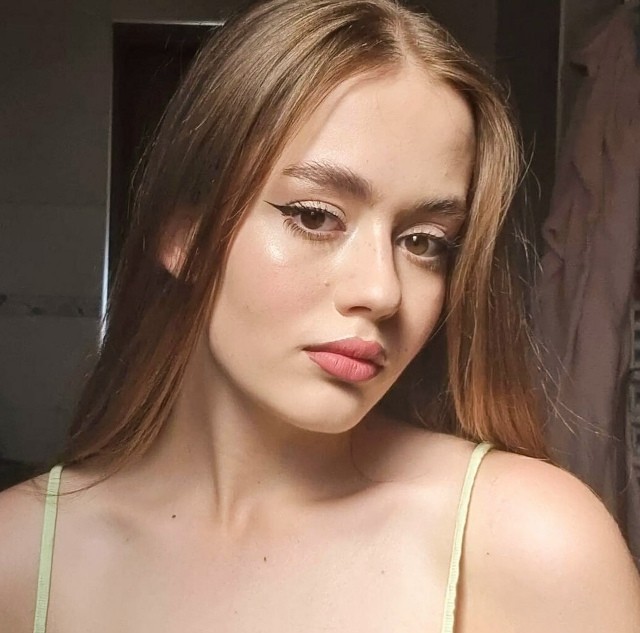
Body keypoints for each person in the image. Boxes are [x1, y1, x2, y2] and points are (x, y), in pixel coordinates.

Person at [1, 0, 639, 631]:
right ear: (185, 235)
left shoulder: (529, 544)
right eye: (315, 216)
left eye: (424, 242)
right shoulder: (17, 558)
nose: (382, 291)